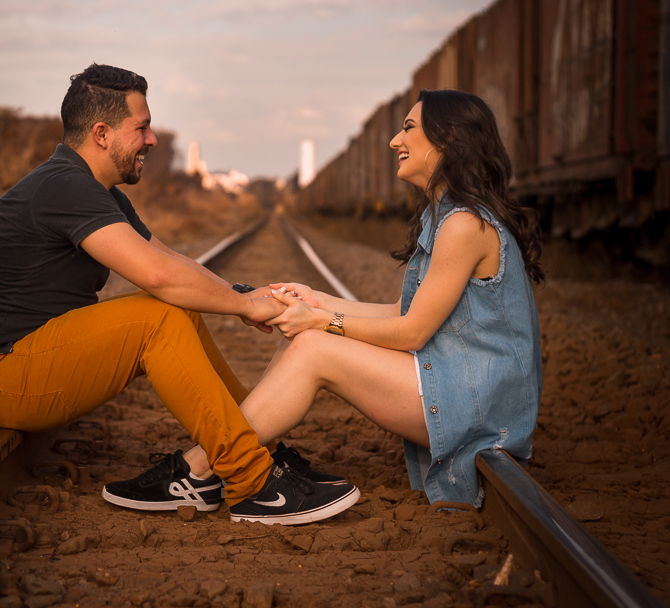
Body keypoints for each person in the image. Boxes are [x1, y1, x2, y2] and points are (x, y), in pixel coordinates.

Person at [0, 63, 359, 525]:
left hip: (30, 356)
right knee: (159, 317)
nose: (153, 140)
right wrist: (245, 306)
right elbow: (158, 276)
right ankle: (251, 482)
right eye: (141, 127)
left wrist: (242, 294)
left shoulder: (94, 190)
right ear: (101, 133)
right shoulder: (64, 187)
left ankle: (253, 446)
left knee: (177, 312)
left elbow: (173, 262)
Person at [111, 88, 542, 509]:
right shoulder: (447, 215)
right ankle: (236, 457)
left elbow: (412, 330)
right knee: (305, 338)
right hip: (461, 385)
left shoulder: (464, 224)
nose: (396, 140)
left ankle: (197, 468)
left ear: (447, 140)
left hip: (480, 406)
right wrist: (316, 301)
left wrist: (321, 323)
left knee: (314, 346)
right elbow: (402, 311)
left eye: (409, 128)